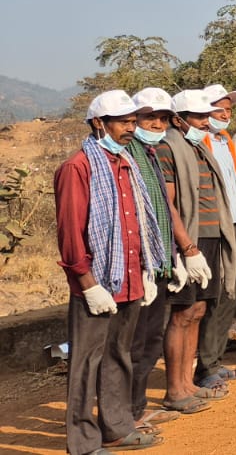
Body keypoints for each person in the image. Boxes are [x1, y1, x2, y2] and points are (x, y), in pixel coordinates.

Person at [56, 90, 162, 453]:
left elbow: (137, 223)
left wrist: (145, 269)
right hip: (97, 281)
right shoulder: (78, 167)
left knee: (119, 355)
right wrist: (87, 283)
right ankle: (83, 442)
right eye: (123, 122)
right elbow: (71, 232)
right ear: (99, 123)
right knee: (86, 363)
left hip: (128, 276)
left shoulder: (125, 163)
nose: (131, 128)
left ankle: (115, 427)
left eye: (133, 121)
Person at [125, 88, 206, 429]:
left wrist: (174, 255)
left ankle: (135, 410)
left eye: (161, 118)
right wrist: (184, 249)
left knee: (148, 341)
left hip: (158, 258)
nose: (157, 124)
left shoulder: (150, 154)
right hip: (137, 262)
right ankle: (126, 416)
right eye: (149, 118)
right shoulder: (128, 156)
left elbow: (162, 209)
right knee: (133, 344)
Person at [160, 90, 236, 407]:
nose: (205, 122)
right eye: (197, 117)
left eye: (206, 116)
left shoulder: (199, 147)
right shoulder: (169, 148)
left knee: (199, 310)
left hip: (210, 236)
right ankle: (174, 390)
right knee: (181, 313)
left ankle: (187, 383)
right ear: (178, 119)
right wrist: (187, 248)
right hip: (190, 240)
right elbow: (168, 204)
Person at [193, 84, 236, 390]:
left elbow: (235, 184)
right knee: (213, 296)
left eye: (228, 110)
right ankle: (204, 367)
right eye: (219, 109)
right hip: (214, 227)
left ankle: (215, 361)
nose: (225, 115)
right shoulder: (199, 143)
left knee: (230, 293)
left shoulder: (225, 140)